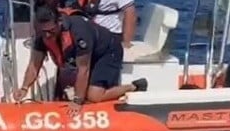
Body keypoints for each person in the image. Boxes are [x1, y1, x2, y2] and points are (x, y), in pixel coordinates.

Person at [13, 6, 147, 111]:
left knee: (94, 96)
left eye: (51, 31)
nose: (47, 35)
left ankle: (134, 86)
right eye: (44, 32)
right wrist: (24, 88)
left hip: (107, 51)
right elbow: (34, 66)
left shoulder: (78, 33)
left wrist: (77, 101)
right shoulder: (42, 36)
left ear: (59, 22)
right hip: (88, 54)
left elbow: (84, 69)